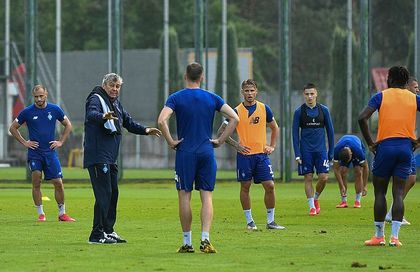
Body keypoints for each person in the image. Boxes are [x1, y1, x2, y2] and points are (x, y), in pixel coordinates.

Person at [158, 62, 239, 253]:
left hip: (185, 152)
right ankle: (205, 239)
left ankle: (187, 242)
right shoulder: (212, 98)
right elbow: (235, 117)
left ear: (185, 75)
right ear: (201, 77)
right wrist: (220, 140)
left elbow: (162, 120)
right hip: (206, 151)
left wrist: (171, 141)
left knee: (184, 196)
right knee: (207, 196)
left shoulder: (176, 98)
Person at [84, 73, 162, 244]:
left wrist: (146, 130)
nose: (115, 89)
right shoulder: (96, 98)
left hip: (110, 157)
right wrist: (102, 117)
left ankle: (108, 231)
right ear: (104, 85)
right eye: (112, 85)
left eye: (118, 86)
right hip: (98, 156)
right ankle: (96, 235)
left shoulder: (115, 103)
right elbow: (91, 114)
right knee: (103, 194)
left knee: (112, 194)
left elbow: (128, 122)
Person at [359, 66, 420, 247]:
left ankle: (379, 236)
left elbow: (362, 118)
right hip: (405, 148)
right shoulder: (414, 98)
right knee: (399, 193)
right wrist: (418, 141)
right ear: (406, 81)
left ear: (390, 80)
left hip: (385, 147)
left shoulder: (381, 96)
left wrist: (370, 143)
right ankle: (395, 238)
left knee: (380, 192)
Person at [217, 79, 285, 231]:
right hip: (245, 157)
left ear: (256, 91)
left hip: (261, 155)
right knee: (245, 187)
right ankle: (250, 222)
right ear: (242, 92)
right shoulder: (235, 111)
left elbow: (275, 128)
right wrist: (237, 145)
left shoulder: (264, 108)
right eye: (246, 91)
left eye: (252, 90)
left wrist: (272, 146)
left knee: (270, 186)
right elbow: (221, 132)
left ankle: (271, 221)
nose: (249, 93)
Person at [9, 84, 75, 222]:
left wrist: (61, 142)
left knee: (58, 182)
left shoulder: (55, 109)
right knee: (36, 181)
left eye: (41, 96)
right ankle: (41, 214)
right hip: (35, 153)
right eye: (36, 97)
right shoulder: (27, 112)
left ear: (46, 95)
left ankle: (62, 213)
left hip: (50, 152)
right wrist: (25, 142)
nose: (39, 99)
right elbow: (13, 128)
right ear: (33, 97)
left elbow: (68, 125)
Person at [292, 83, 334, 216]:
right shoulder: (299, 112)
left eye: (312, 93)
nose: (310, 96)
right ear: (303, 95)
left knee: (324, 178)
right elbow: (294, 134)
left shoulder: (324, 110)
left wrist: (331, 152)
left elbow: (330, 132)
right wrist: (297, 153)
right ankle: (311, 207)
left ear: (316, 94)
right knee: (308, 177)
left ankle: (316, 198)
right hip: (306, 151)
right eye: (307, 94)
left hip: (321, 151)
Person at [384, 76, 419, 225]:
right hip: (399, 145)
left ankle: (392, 212)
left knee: (410, 179)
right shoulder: (404, 100)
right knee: (406, 179)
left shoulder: (411, 102)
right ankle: (392, 214)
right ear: (407, 88)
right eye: (415, 87)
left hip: (406, 145)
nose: (417, 90)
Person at [333, 135, 369, 208]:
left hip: (357, 145)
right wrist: (341, 185)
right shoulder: (337, 150)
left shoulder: (358, 151)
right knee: (342, 171)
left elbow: (366, 168)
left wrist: (365, 186)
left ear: (351, 154)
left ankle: (357, 201)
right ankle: (344, 201)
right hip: (345, 148)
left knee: (358, 171)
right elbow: (336, 169)